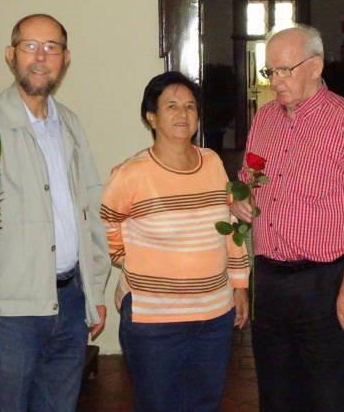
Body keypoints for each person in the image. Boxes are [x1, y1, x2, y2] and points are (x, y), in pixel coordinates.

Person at [231, 24, 344, 412]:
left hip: (325, 282)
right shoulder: (264, 119)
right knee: (277, 394)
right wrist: (239, 199)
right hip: (269, 281)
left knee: (336, 396)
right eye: (270, 72)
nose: (275, 82)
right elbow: (247, 179)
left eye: (285, 70)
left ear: (315, 67)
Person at [0, 13, 110, 411]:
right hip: (12, 314)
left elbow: (90, 209)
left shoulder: (69, 124)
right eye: (30, 46)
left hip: (70, 302)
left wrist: (94, 290)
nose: (40, 57)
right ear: (10, 55)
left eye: (52, 47)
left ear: (65, 58)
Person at [100, 71, 250, 412]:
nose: (183, 114)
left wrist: (240, 286)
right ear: (151, 117)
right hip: (154, 320)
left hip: (214, 315)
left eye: (190, 106)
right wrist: (126, 258)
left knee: (205, 402)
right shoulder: (131, 173)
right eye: (171, 106)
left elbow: (229, 228)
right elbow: (106, 223)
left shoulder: (212, 162)